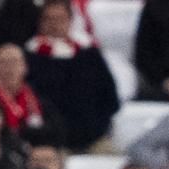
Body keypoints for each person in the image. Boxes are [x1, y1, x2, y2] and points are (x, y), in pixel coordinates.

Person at [23, 0, 119, 150]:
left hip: (92, 137)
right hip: (45, 142)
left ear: (70, 20)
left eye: (60, 19)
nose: (54, 24)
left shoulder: (88, 53)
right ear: (40, 22)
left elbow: (109, 95)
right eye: (49, 19)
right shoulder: (29, 55)